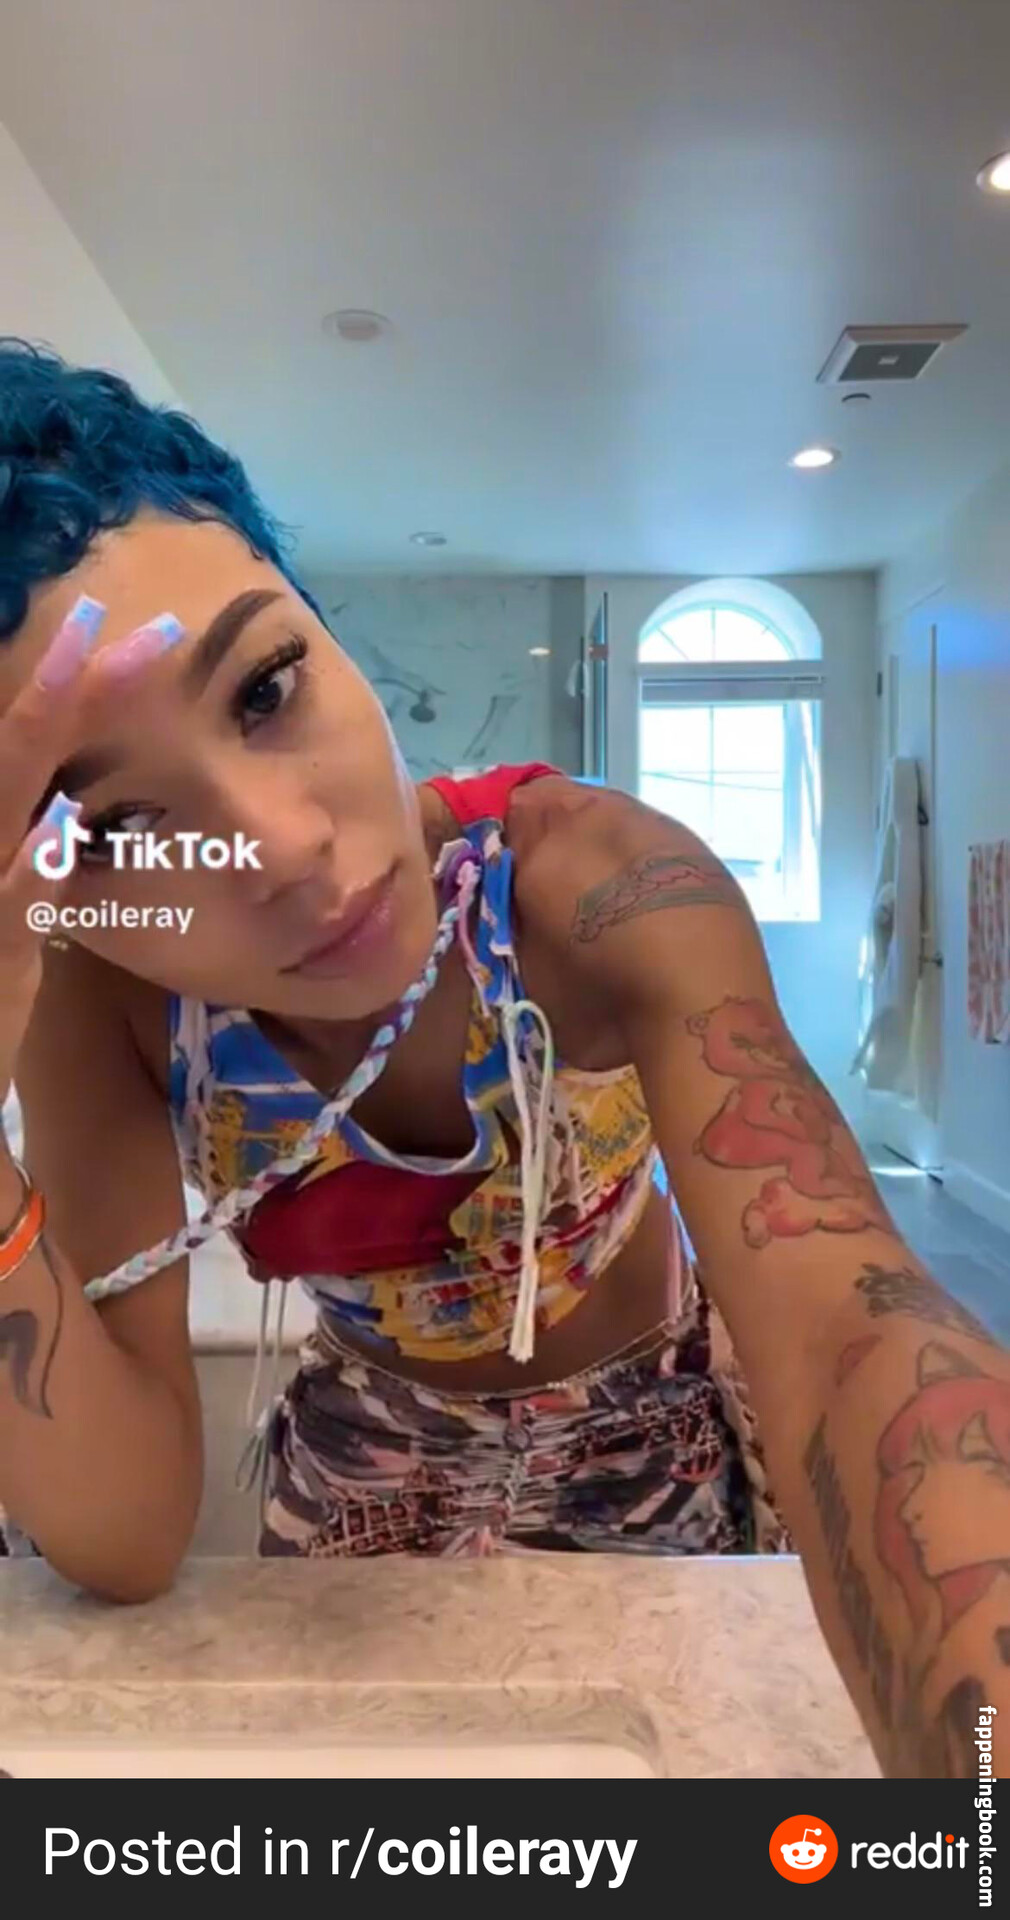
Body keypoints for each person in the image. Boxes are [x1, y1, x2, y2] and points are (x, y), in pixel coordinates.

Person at [0, 339, 1005, 1779]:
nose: (282, 847)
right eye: (113, 831)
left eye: (267, 688)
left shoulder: (595, 892)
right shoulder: (106, 996)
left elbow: (846, 1323)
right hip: (355, 1485)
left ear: (325, 626)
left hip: (654, 1453)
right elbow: (128, 1527)